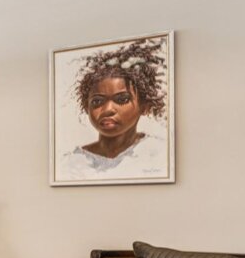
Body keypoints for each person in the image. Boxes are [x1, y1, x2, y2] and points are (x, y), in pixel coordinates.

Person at [57, 38, 168, 180]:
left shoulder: (158, 153)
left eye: (122, 100)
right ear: (86, 107)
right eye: (97, 101)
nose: (108, 109)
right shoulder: (72, 163)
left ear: (144, 107)